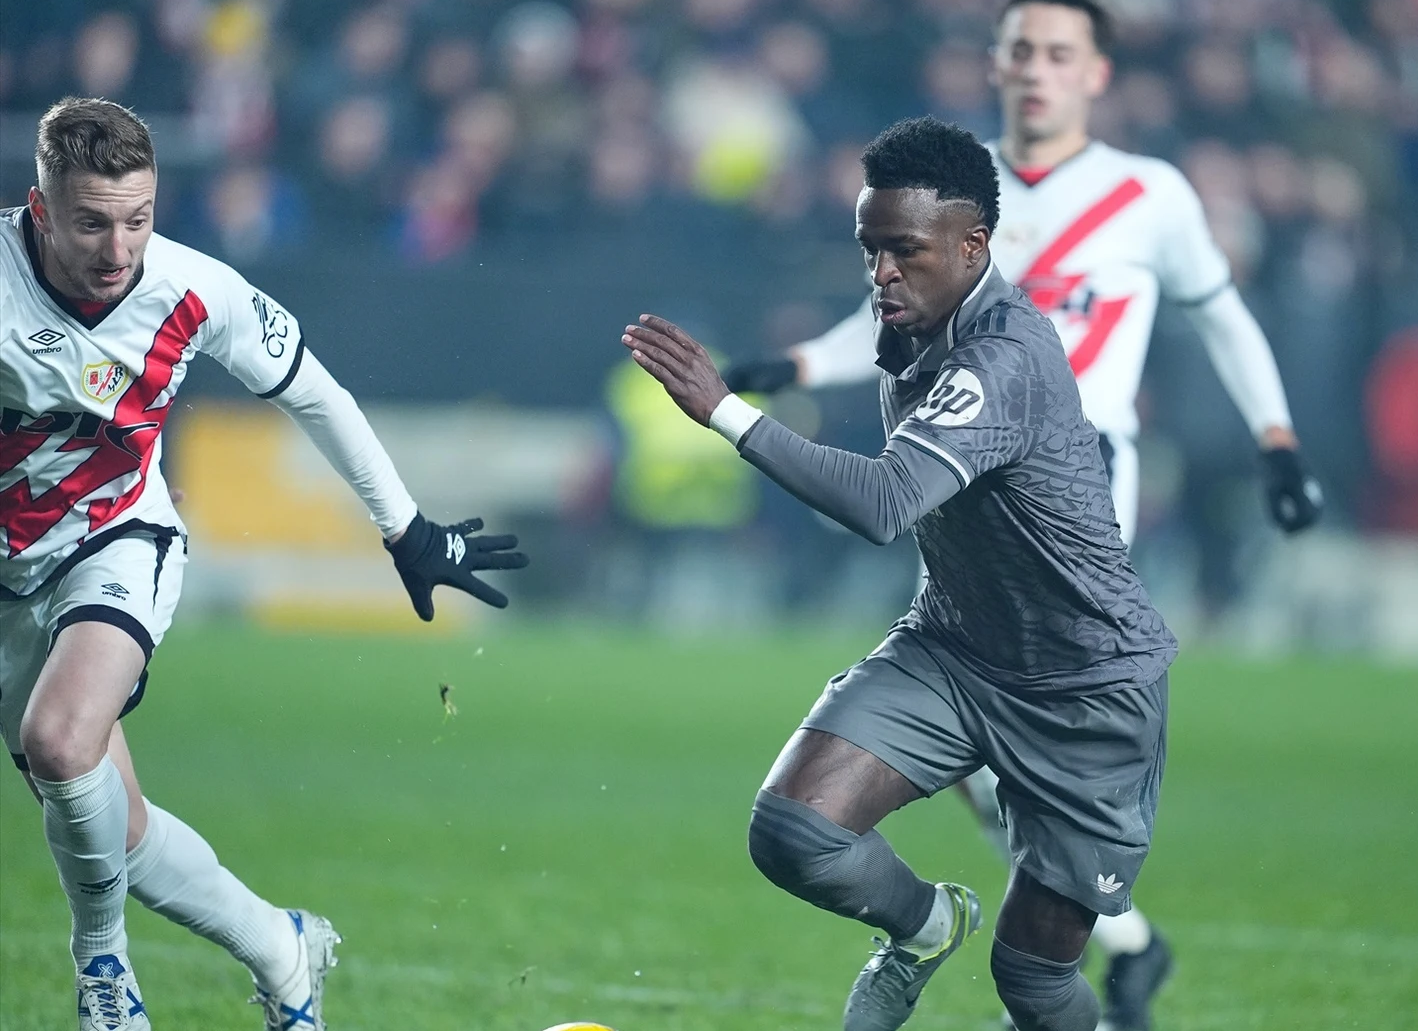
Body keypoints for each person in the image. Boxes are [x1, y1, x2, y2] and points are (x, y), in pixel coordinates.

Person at [722, 0, 1323, 1027]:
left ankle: (1084, 930)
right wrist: (791, 365)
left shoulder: (1149, 195)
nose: (1036, 69)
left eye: (1057, 53)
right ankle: (1112, 936)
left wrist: (1276, 439)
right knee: (969, 748)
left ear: (1094, 73)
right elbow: (885, 301)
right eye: (1020, 51)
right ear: (994, 65)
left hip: (1081, 482)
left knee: (1042, 686)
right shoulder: (958, 191)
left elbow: (1220, 316)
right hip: (956, 490)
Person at [624, 116, 1172, 1031]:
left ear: (972, 245)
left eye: (902, 251)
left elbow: (883, 503)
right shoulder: (914, 320)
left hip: (1086, 688)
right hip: (955, 649)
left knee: (1032, 983)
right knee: (794, 833)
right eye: (868, 248)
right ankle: (923, 927)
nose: (880, 272)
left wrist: (725, 411)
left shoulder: (1001, 355)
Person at [1, 98, 527, 1031]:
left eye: (138, 217)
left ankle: (103, 976)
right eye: (90, 222)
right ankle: (282, 947)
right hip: (7, 574)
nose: (118, 247)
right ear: (39, 211)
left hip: (117, 539)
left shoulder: (194, 290)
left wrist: (403, 527)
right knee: (112, 822)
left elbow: (316, 391)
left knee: (58, 739)